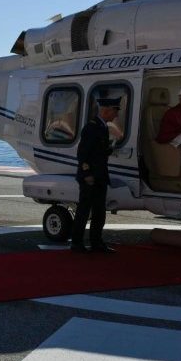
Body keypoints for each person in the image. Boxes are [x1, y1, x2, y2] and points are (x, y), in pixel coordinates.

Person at [71, 96, 119, 254]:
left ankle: (96, 242)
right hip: (90, 177)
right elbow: (82, 154)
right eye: (115, 110)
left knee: (99, 212)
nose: (116, 114)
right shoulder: (91, 127)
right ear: (106, 111)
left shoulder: (102, 127)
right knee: (84, 211)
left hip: (100, 176)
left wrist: (110, 149)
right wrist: (86, 174)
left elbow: (98, 151)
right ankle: (77, 243)